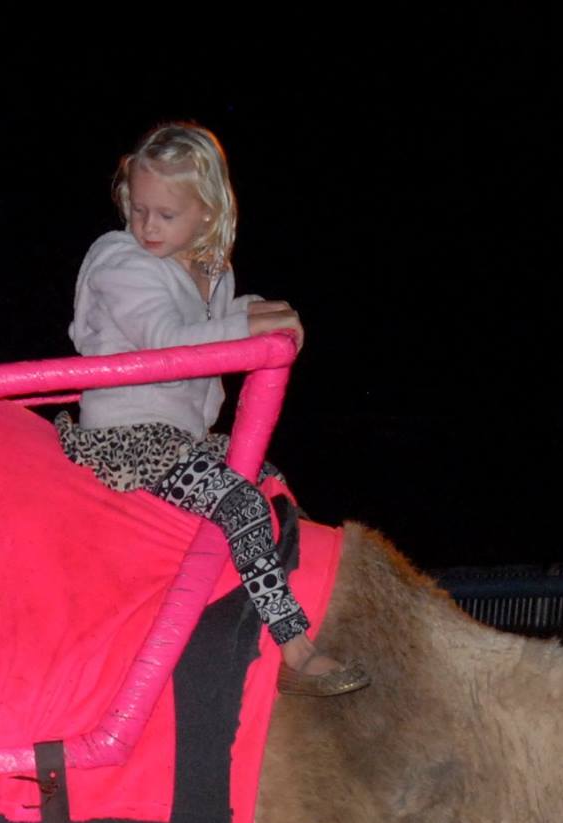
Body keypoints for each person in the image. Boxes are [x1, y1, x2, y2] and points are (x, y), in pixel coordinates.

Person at [59, 122, 367, 697]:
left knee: (272, 485)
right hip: (127, 440)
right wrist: (249, 325)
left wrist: (257, 309)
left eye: (166, 215)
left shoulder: (208, 268)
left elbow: (207, 323)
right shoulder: (119, 258)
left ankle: (242, 630)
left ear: (206, 212)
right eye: (139, 209)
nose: (147, 226)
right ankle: (294, 647)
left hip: (183, 437)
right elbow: (168, 339)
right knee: (240, 500)